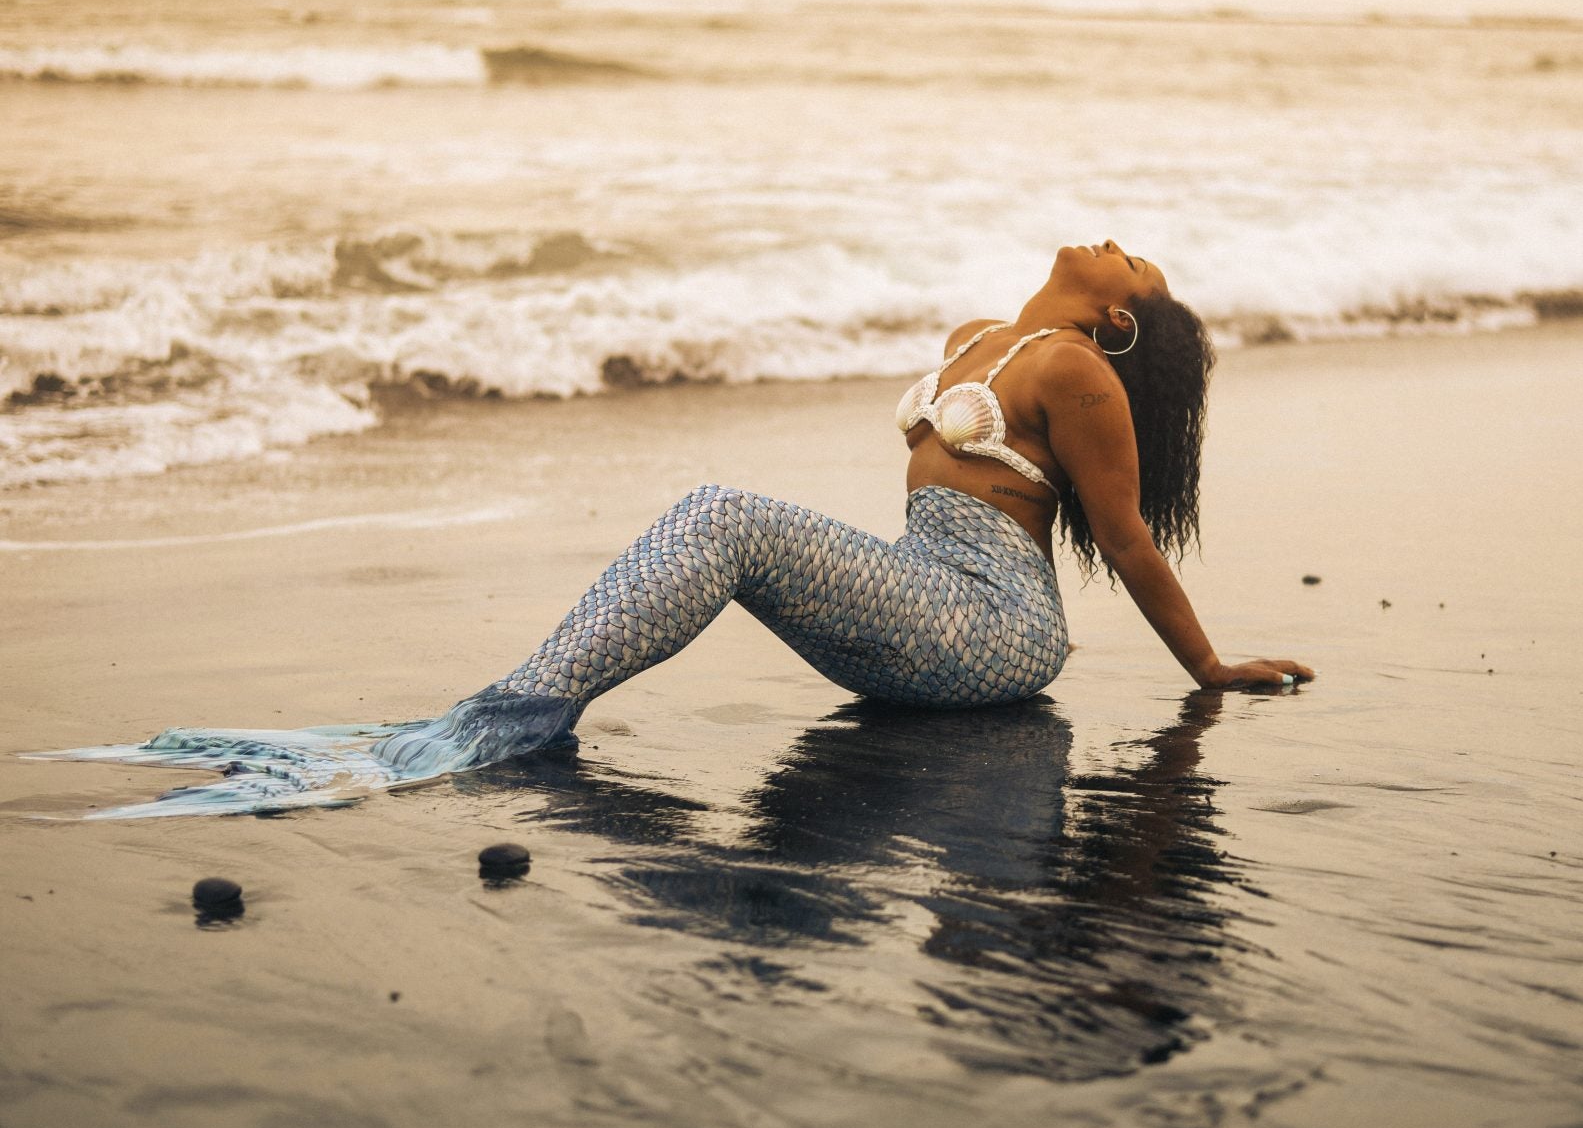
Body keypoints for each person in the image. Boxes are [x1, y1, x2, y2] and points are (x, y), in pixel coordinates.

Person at [43, 240, 1314, 818]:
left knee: (720, 513)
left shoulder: (1074, 377)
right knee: (725, 521)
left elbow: (1128, 538)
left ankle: (518, 713)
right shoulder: (972, 340)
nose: (1115, 245)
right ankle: (517, 706)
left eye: (1135, 267)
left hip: (990, 629)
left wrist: (1206, 669)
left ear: (1117, 326)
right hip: (924, 606)